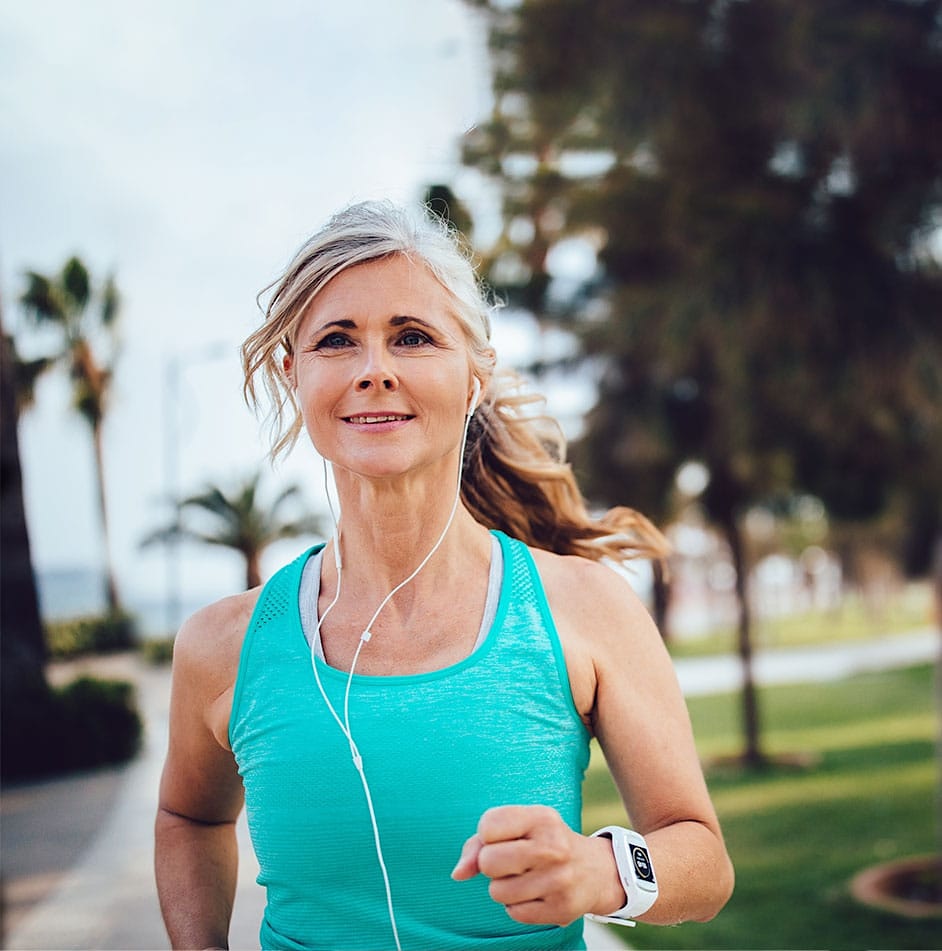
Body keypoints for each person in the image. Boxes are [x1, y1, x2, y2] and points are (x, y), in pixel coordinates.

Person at [155, 200, 734, 951]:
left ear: (474, 375)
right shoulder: (221, 646)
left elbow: (705, 860)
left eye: (412, 336)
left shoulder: (582, 609)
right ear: (294, 376)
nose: (374, 370)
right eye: (337, 340)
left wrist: (601, 869)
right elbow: (188, 817)